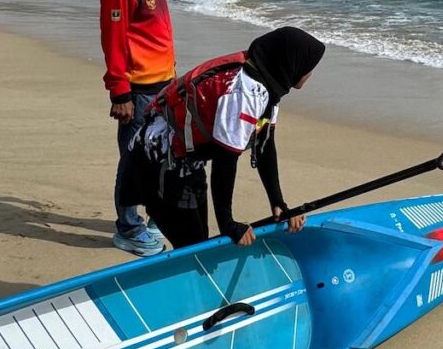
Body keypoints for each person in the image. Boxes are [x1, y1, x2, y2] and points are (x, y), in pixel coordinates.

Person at [121, 26, 326, 249]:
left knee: (197, 242)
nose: (310, 74)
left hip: (186, 160)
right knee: (193, 248)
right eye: (309, 67)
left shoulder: (269, 83)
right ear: (291, 61)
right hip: (158, 159)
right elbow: (225, 161)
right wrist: (228, 224)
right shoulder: (245, 92)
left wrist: (279, 204)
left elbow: (265, 146)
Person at [100, 0, 184, 256]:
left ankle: (153, 217)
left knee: (161, 154)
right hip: (137, 91)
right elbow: (114, 43)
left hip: (164, 86)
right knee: (133, 159)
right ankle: (128, 229)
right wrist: (120, 92)